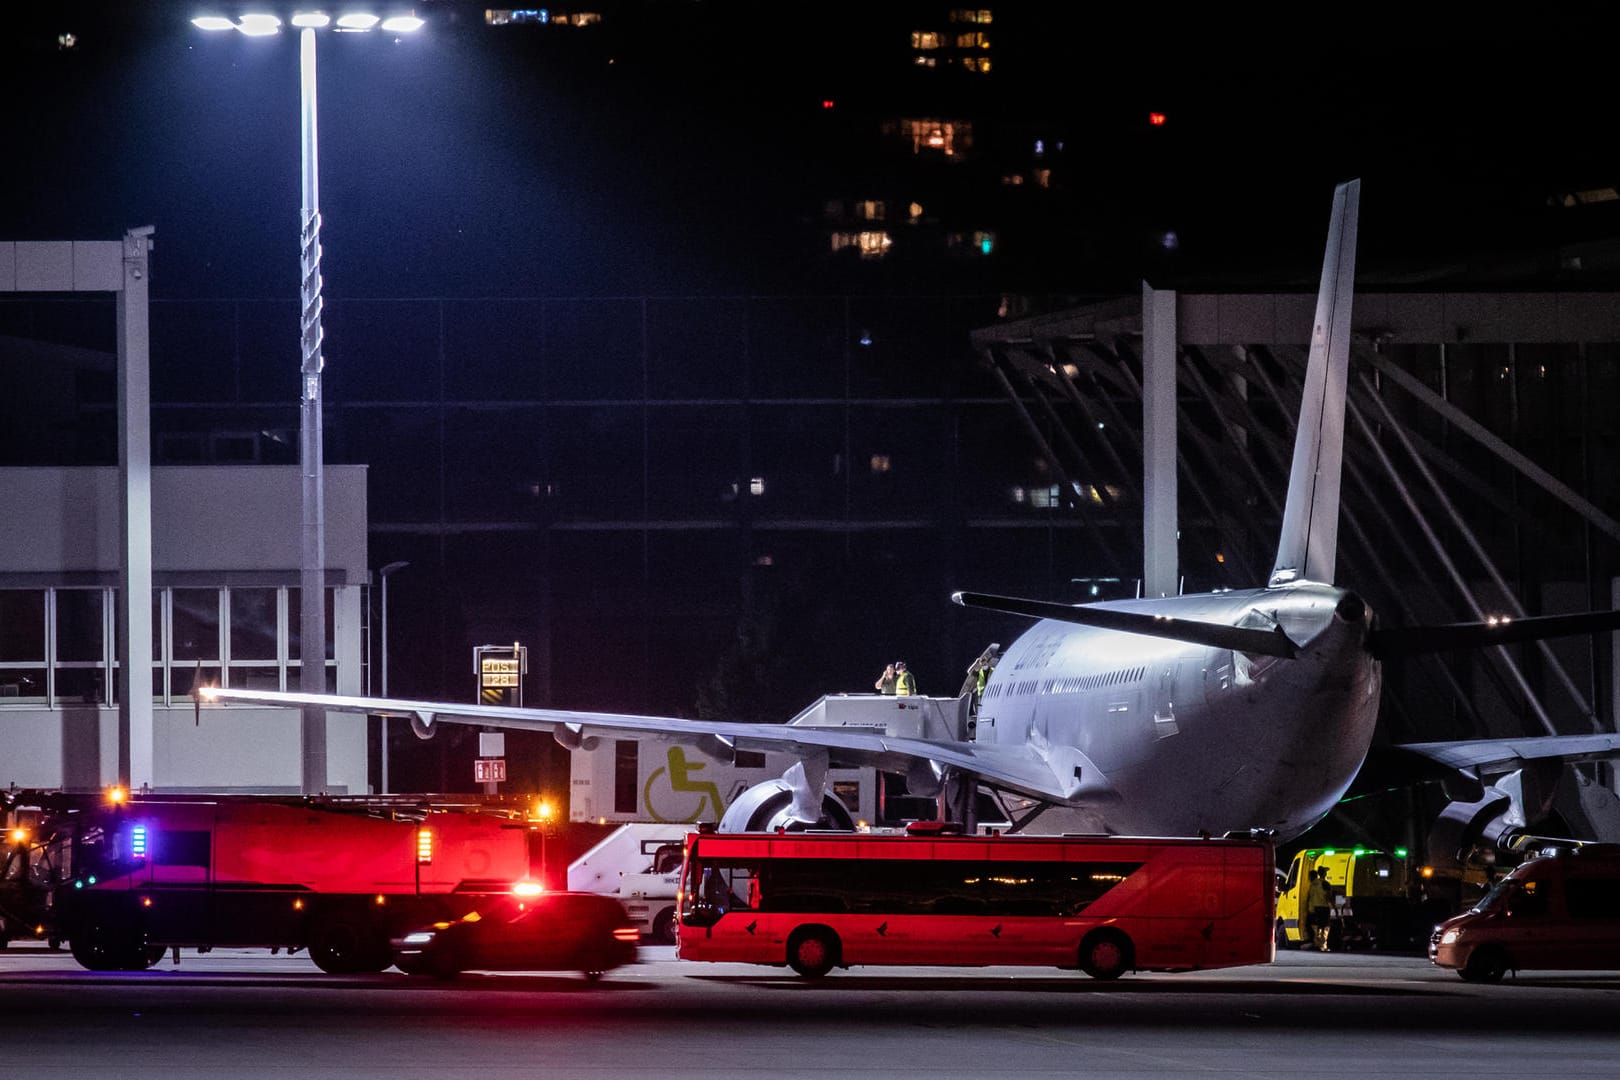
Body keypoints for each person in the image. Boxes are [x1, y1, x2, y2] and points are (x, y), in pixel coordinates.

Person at [1306, 865, 1334, 952]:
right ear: (1324, 873)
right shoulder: (1325, 883)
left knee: (1317, 927)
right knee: (1325, 927)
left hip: (1314, 908)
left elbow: (1309, 897)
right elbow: (1329, 896)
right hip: (1323, 907)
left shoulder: (1313, 884)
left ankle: (1317, 944)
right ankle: (1323, 945)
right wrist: (1334, 907)